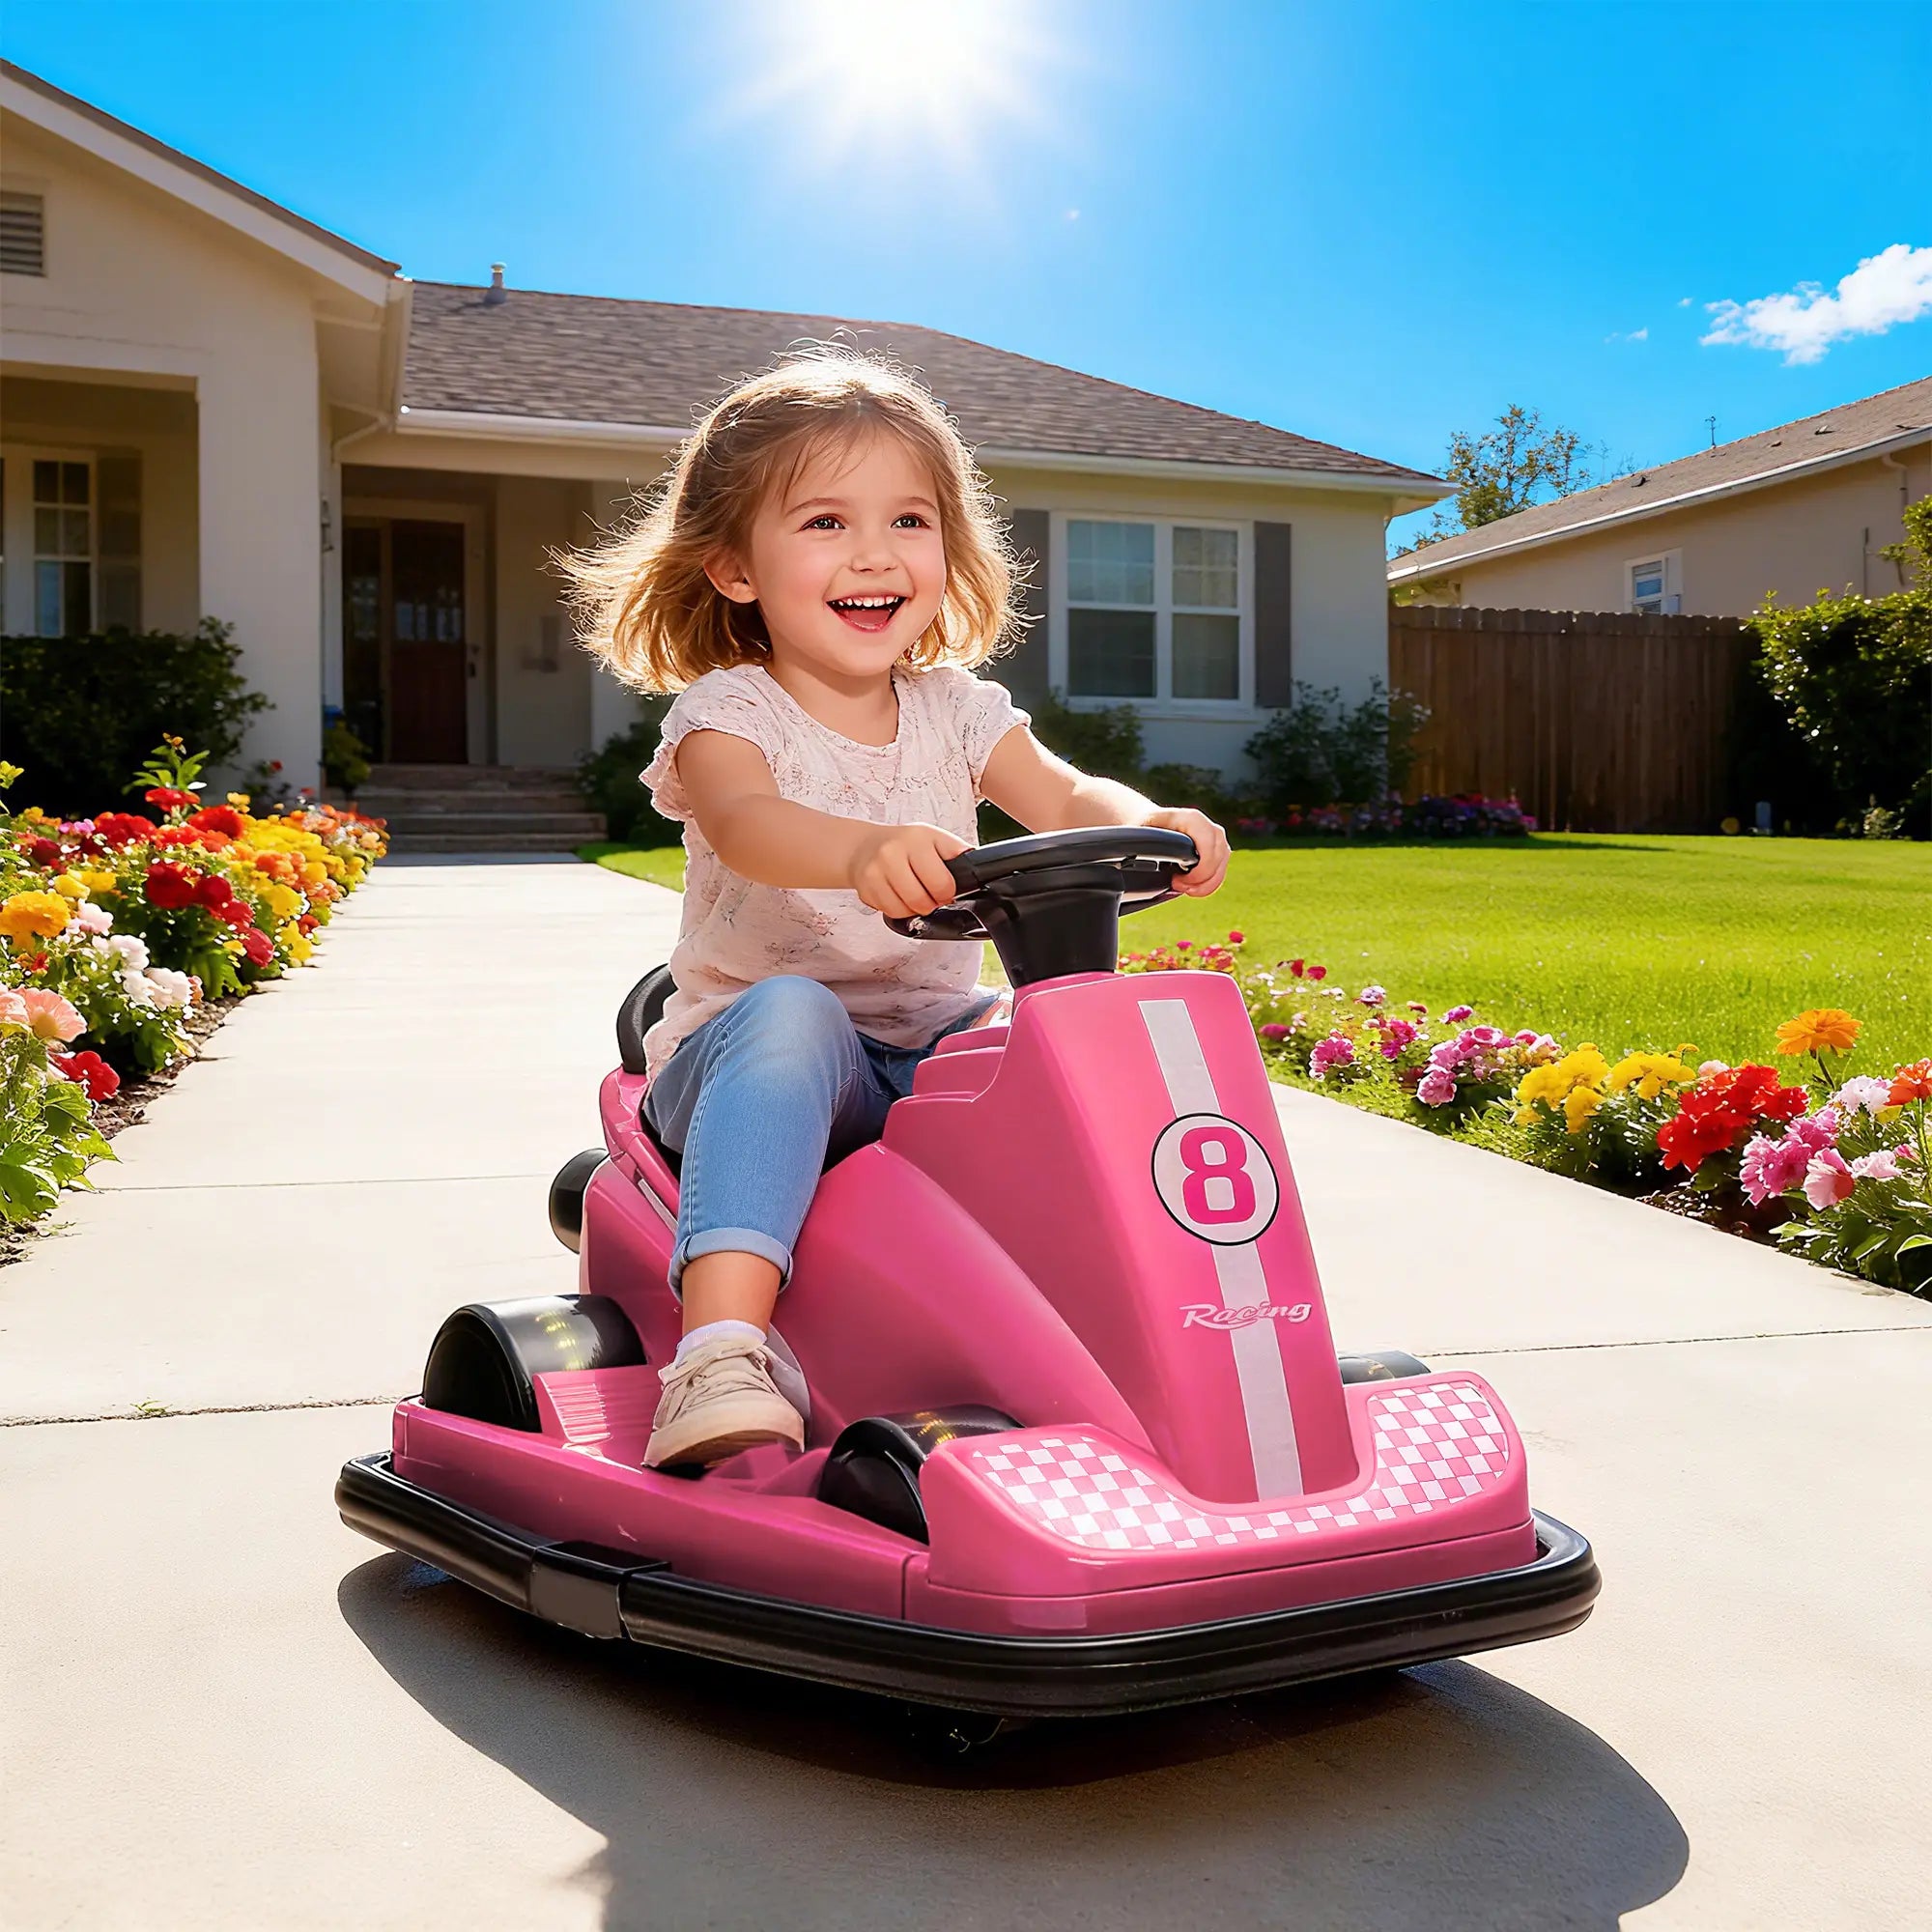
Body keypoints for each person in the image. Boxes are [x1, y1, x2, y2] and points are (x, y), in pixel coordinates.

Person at [563, 349, 1228, 1468]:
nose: (874, 552)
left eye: (908, 519)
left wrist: (1147, 810)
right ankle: (719, 1350)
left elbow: (1064, 792)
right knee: (794, 1011)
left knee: (1071, 1041)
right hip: (745, 1057)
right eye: (824, 521)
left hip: (923, 1053)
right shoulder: (732, 712)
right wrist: (861, 846)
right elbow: (747, 822)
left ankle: (1172, 1338)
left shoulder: (957, 711)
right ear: (732, 567)